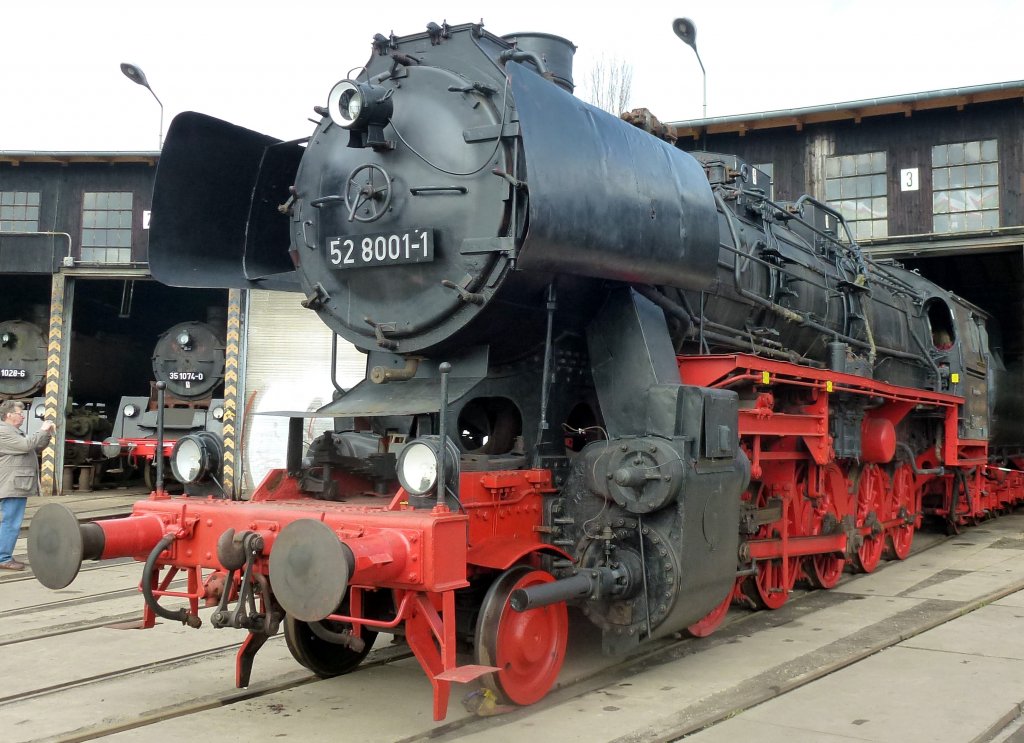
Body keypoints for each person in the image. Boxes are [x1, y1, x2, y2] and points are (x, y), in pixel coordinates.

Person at [0, 400, 55, 570]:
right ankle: (3, 557)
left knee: (10, 520)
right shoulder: (4, 431)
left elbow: (34, 447)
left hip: (14, 484)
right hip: (12, 485)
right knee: (11, 521)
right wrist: (42, 430)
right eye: (20, 413)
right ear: (9, 415)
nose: (23, 416)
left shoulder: (14, 432)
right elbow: (26, 445)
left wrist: (46, 434)